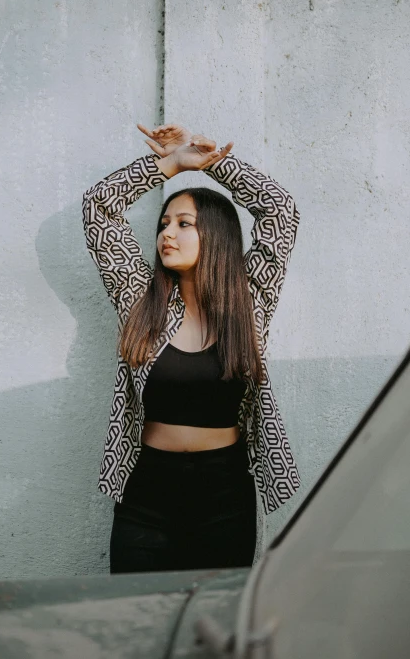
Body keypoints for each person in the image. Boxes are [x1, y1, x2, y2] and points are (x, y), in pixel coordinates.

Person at [82, 123, 300, 574]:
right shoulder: (140, 298)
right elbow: (98, 208)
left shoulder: (249, 299)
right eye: (164, 224)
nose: (167, 234)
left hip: (225, 495)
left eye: (184, 224)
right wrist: (169, 165)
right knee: (137, 620)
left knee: (213, 628)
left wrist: (214, 164)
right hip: (148, 495)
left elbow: (280, 211)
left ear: (216, 236)